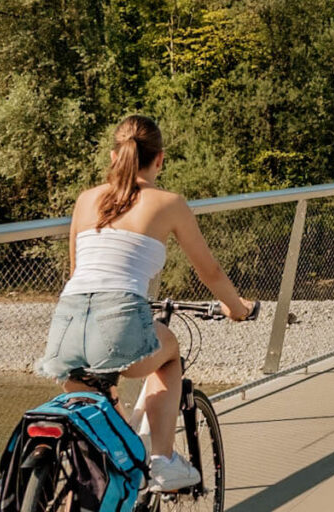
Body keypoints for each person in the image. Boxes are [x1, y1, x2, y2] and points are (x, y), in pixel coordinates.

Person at [36, 115, 253, 492]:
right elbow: (211, 271)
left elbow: (77, 271)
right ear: (160, 159)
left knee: (95, 438)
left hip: (66, 328)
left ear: (113, 155)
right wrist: (236, 307)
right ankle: (164, 460)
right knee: (169, 353)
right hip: (117, 323)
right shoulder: (169, 203)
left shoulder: (87, 199)